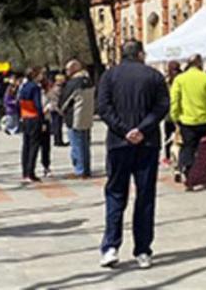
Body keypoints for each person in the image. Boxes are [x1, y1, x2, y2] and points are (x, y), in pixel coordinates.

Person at [97, 40, 170, 269]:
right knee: (145, 195)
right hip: (147, 143)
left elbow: (104, 108)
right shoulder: (154, 76)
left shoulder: (109, 76)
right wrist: (142, 129)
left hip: (118, 143)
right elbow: (162, 107)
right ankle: (143, 249)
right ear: (140, 54)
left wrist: (124, 130)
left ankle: (110, 246)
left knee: (115, 193)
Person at [169, 54, 206, 181]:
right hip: (205, 119)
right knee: (204, 147)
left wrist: (175, 116)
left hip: (186, 120)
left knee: (188, 147)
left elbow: (174, 100)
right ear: (200, 64)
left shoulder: (180, 79)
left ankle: (187, 170)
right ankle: (204, 171)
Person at [59, 59, 95, 179]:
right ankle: (86, 169)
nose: (66, 72)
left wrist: (60, 110)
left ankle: (80, 170)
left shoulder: (73, 83)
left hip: (75, 118)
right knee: (85, 146)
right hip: (87, 118)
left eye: (67, 69)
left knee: (77, 146)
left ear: (74, 69)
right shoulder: (89, 81)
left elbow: (64, 102)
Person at [19, 67, 45, 182]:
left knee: (26, 145)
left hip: (25, 116)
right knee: (34, 145)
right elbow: (38, 104)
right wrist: (42, 120)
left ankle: (25, 172)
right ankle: (31, 172)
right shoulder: (35, 87)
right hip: (34, 117)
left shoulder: (23, 87)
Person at [163, 61, 181, 171]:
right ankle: (175, 159)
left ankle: (170, 158)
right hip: (178, 114)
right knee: (178, 138)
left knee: (169, 137)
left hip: (170, 114)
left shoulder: (167, 82)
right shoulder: (181, 79)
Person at [47, 74, 67, 147]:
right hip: (57, 108)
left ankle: (57, 140)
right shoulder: (58, 88)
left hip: (53, 107)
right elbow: (60, 99)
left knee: (56, 125)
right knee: (58, 125)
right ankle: (58, 141)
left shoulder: (53, 87)